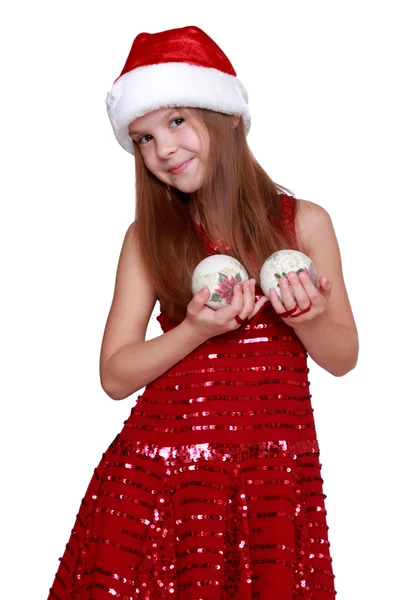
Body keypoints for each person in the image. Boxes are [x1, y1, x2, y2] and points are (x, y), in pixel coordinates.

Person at [48, 25, 358, 600]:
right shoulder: (148, 239)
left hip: (271, 486)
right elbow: (114, 375)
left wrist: (308, 318)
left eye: (175, 121)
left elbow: (344, 358)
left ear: (229, 119)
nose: (162, 149)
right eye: (142, 138)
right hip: (164, 484)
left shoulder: (305, 224)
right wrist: (194, 329)